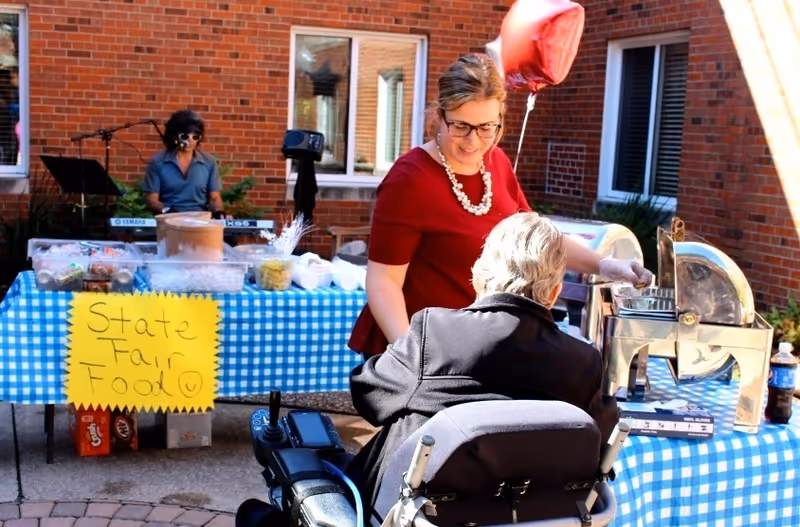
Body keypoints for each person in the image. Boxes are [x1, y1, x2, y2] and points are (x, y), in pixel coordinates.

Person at [348, 53, 652, 357]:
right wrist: (409, 356)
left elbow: (535, 241)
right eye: (460, 126)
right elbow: (383, 283)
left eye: (486, 127)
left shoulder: (497, 163)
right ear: (439, 115)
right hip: (422, 345)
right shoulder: (409, 179)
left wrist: (606, 265)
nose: (473, 141)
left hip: (477, 346)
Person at [346, 212, 620, 505]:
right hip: (524, 516)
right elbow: (598, 445)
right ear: (555, 293)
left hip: (418, 511)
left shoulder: (436, 332)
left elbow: (368, 395)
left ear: (478, 275)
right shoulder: (583, 362)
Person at [143, 109, 230, 218]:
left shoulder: (208, 161)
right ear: (174, 136)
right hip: (170, 221)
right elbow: (151, 199)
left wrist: (219, 211)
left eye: (195, 137)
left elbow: (215, 197)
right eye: (185, 137)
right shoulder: (157, 162)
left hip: (200, 221)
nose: (190, 141)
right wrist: (167, 210)